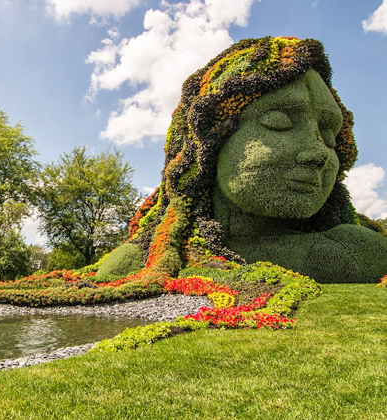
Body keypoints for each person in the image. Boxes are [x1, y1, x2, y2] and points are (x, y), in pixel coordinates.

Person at [103, 36, 387, 283]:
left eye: (329, 136)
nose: (319, 154)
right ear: (210, 143)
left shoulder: (357, 246)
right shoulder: (137, 261)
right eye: (278, 122)